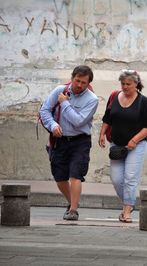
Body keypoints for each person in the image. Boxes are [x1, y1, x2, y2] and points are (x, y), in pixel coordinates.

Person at [39, 65, 98, 221]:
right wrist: (53, 125)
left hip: (80, 141)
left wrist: (64, 103)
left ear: (88, 83)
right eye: (77, 80)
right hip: (59, 140)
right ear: (72, 78)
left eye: (83, 82)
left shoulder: (92, 99)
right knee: (59, 177)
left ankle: (73, 210)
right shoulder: (59, 90)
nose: (79, 85)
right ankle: (71, 202)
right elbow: (44, 110)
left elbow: (78, 121)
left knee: (75, 174)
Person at [98, 69, 147, 223]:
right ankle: (129, 202)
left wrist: (134, 140)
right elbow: (107, 117)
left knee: (130, 178)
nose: (125, 87)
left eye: (128, 84)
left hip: (137, 146)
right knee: (116, 179)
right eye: (122, 84)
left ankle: (127, 210)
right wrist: (102, 133)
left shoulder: (144, 102)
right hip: (116, 145)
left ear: (136, 84)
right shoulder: (115, 97)